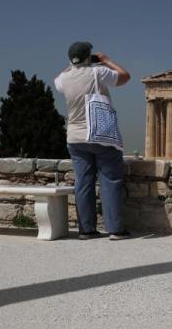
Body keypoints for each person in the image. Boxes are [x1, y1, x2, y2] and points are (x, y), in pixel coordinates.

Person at [54, 41, 131, 240]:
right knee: (110, 180)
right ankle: (115, 229)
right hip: (100, 134)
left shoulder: (63, 79)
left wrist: (75, 63)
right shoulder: (98, 72)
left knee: (83, 182)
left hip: (75, 137)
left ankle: (86, 230)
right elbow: (125, 76)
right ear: (89, 57)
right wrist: (105, 60)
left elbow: (60, 76)